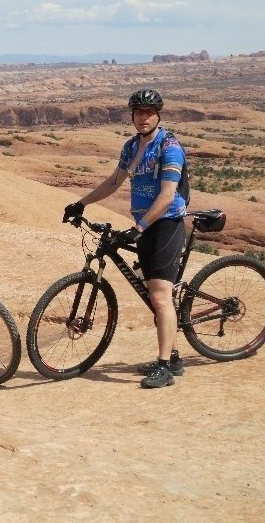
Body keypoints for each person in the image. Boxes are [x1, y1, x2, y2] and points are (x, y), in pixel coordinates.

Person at [63, 89, 187, 389]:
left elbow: (168, 195)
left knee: (159, 296)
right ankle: (173, 356)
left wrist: (141, 226)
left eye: (149, 112)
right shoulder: (131, 147)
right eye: (138, 112)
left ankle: (165, 367)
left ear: (158, 115)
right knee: (152, 294)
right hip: (145, 225)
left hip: (166, 224)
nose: (143, 117)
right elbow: (115, 181)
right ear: (132, 116)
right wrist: (83, 202)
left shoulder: (169, 146)